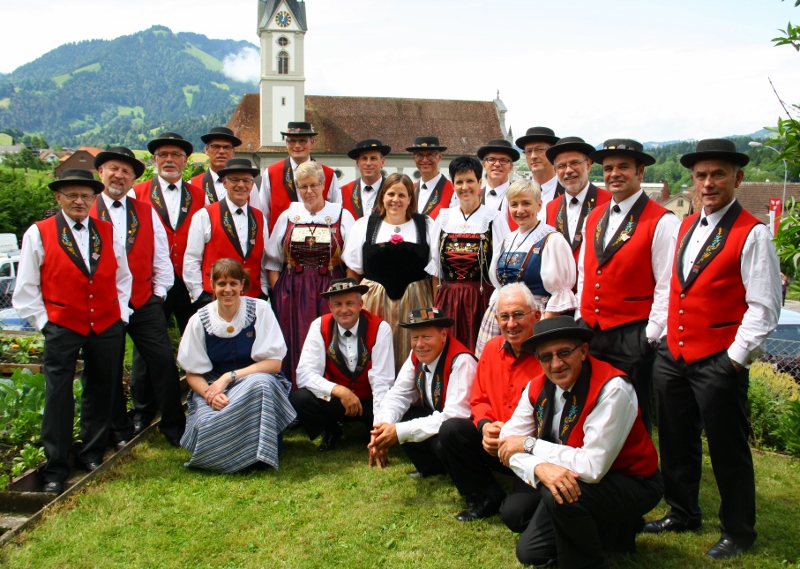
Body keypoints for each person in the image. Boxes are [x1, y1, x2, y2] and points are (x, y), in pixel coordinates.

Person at [645, 139, 781, 560]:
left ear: (738, 178)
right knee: (675, 440)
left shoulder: (753, 233)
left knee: (728, 449)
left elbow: (764, 306)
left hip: (718, 358)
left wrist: (733, 360)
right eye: (701, 175)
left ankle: (738, 530)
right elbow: (674, 288)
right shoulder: (685, 226)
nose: (708, 183)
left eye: (718, 174)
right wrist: (660, 338)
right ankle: (682, 511)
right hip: (674, 355)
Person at [498, 316, 663, 569]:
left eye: (564, 352)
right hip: (575, 477)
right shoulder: (535, 387)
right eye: (546, 357)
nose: (556, 364)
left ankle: (589, 561)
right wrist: (539, 468)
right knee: (527, 544)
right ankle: (608, 530)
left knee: (560, 493)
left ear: (583, 351)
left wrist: (530, 445)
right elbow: (508, 442)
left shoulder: (612, 389)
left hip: (631, 481)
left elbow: (592, 467)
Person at [13, 169, 132, 494]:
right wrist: (46, 323)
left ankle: (92, 453)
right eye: (72, 195)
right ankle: (55, 468)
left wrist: (121, 314)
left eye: (85, 196)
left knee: (102, 389)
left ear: (93, 199)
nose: (79, 201)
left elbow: (123, 276)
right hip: (62, 324)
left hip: (105, 322)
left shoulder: (107, 231)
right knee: (58, 395)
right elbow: (26, 287)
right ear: (59, 197)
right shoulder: (39, 233)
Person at [576, 138, 680, 433]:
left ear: (640, 172)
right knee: (591, 406)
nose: (614, 174)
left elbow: (667, 285)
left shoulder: (662, 221)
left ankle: (638, 462)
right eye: (609, 168)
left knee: (632, 413)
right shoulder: (593, 216)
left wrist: (651, 335)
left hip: (633, 332)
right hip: (591, 329)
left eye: (623, 167)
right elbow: (585, 271)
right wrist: (581, 316)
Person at [91, 147, 185, 448]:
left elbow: (161, 255)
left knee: (163, 362)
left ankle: (174, 426)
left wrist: (158, 293)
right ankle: (120, 429)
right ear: (101, 172)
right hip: (105, 305)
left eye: (126, 171)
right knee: (109, 368)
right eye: (113, 169)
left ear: (133, 178)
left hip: (144, 301)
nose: (119, 175)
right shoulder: (87, 208)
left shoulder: (145, 211)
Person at [177, 258, 295, 472]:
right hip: (214, 387)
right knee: (205, 422)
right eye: (221, 284)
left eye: (233, 283)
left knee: (261, 385)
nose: (228, 289)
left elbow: (274, 364)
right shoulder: (199, 320)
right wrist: (210, 395)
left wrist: (229, 376)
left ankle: (259, 454)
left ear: (242, 284)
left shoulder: (260, 309)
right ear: (212, 285)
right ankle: (232, 456)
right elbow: (192, 373)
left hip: (253, 380)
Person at [438, 284, 542, 521]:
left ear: (536, 316)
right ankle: (486, 495)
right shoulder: (491, 349)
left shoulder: (548, 356)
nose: (511, 324)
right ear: (496, 319)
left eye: (518, 315)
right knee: (451, 431)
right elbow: (479, 399)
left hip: (530, 448)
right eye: (504, 316)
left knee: (515, 515)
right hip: (494, 443)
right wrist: (485, 427)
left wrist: (516, 438)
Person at [266, 160, 355, 387]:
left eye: (313, 185)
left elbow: (353, 262)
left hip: (330, 290)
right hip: (292, 292)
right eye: (303, 186)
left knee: (330, 341)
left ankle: (331, 394)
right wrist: (279, 293)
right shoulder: (288, 216)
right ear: (297, 188)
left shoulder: (341, 216)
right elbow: (272, 261)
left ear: (323, 185)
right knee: (292, 341)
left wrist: (347, 296)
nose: (309, 191)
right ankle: (294, 394)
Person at [343, 173, 437, 371]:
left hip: (416, 300)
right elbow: (353, 271)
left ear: (410, 198)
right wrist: (351, 303)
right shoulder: (364, 225)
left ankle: (413, 389)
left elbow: (435, 272)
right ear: (383, 196)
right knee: (375, 348)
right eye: (391, 194)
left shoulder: (426, 225)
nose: (396, 200)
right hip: (374, 301)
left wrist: (436, 306)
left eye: (402, 195)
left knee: (415, 348)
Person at [475, 179, 577, 357]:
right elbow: (498, 287)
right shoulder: (507, 241)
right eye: (514, 204)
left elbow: (560, 293)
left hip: (535, 318)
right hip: (504, 319)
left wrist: (540, 331)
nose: (520, 210)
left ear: (539, 205)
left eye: (526, 203)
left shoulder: (551, 239)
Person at [369, 308, 477, 475]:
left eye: (426, 337)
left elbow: (455, 416)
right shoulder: (415, 355)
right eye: (415, 338)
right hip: (442, 419)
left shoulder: (462, 361)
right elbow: (398, 394)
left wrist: (398, 431)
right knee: (401, 415)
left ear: (443, 335)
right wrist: (381, 430)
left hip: (464, 431)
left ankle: (463, 473)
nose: (419, 344)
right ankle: (431, 469)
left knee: (443, 438)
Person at [292, 278, 395, 452]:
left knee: (389, 407)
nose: (344, 310)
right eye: (338, 304)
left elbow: (382, 381)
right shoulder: (319, 326)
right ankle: (332, 429)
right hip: (336, 401)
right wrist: (339, 391)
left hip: (369, 401)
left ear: (361, 304)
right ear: (330, 307)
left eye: (350, 303)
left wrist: (379, 428)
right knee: (300, 398)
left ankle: (372, 430)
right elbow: (305, 374)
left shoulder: (380, 328)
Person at [430, 155, 509, 351]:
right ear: (452, 185)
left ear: (480, 183)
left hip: (481, 300)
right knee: (448, 352)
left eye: (470, 181)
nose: (465, 187)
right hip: (448, 300)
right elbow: (435, 270)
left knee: (479, 352)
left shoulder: (493, 219)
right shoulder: (443, 218)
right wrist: (436, 306)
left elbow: (503, 269)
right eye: (459, 182)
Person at [131, 132, 205, 333]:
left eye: (175, 154)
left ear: (185, 160)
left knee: (195, 338)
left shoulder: (200, 196)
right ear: (154, 160)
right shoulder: (136, 193)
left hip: (187, 281)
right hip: (152, 282)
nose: (169, 159)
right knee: (150, 341)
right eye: (163, 154)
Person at [184, 158, 269, 310]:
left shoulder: (259, 217)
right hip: (214, 299)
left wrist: (263, 291)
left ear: (251, 185)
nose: (241, 185)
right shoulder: (205, 215)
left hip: (252, 298)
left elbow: (264, 260)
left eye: (246, 180)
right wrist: (199, 296)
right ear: (224, 182)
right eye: (235, 180)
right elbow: (192, 259)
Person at [259, 121, 341, 233]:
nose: (297, 146)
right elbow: (263, 215)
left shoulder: (328, 174)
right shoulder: (271, 173)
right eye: (292, 141)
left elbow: (337, 212)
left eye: (302, 141)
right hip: (281, 240)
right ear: (286, 143)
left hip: (320, 239)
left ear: (312, 142)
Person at [544, 137, 612, 266]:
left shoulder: (610, 201)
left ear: (588, 165)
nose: (569, 170)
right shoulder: (550, 207)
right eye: (562, 166)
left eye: (574, 163)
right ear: (555, 171)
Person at [191, 126, 263, 212]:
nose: (221, 151)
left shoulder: (248, 185)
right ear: (206, 150)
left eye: (227, 147)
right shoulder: (193, 185)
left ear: (233, 152)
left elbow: (256, 215)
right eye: (216, 146)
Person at [515, 127, 564, 222]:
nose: (533, 156)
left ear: (552, 153)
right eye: (529, 151)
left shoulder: (567, 192)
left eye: (540, 149)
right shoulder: (519, 192)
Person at [407, 136, 458, 219]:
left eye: (430, 155)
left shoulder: (453, 191)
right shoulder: (409, 190)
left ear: (439, 157)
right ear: (414, 158)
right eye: (419, 155)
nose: (425, 160)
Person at [341, 139, 390, 219]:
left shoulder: (393, 189)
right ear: (357, 162)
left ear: (382, 162)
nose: (368, 163)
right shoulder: (345, 191)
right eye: (364, 158)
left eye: (373, 158)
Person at [477, 139, 519, 225]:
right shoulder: (474, 198)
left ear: (511, 167)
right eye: (492, 159)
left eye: (503, 160)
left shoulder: (520, 197)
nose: (497, 164)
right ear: (484, 165)